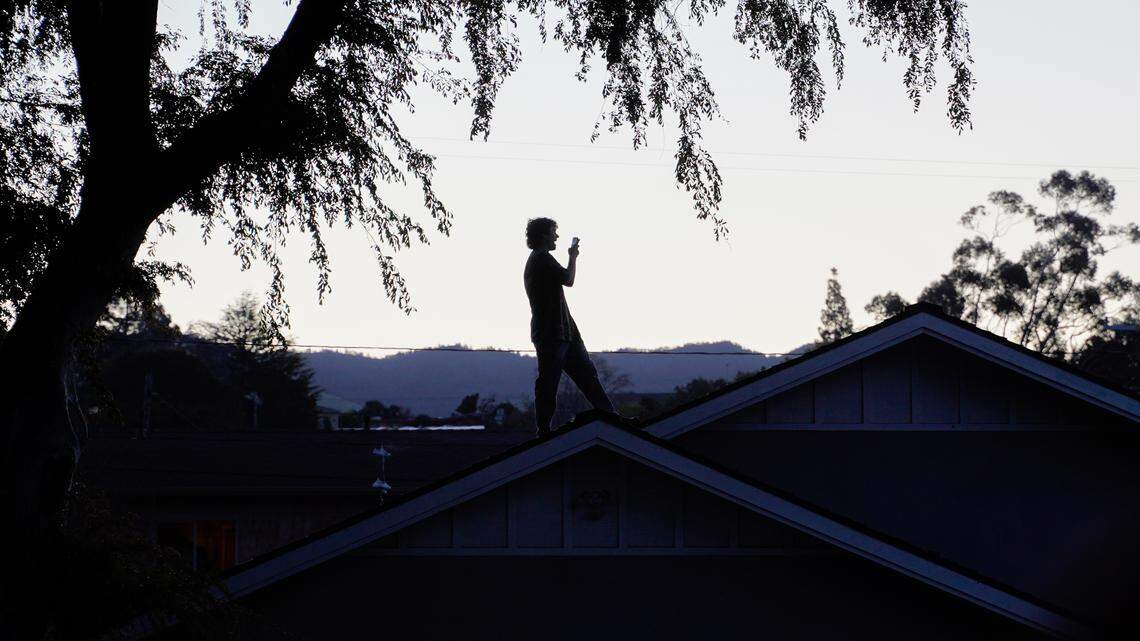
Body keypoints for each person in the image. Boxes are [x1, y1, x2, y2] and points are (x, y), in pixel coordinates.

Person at [523, 217, 615, 434]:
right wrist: (573, 257)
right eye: (554, 232)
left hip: (566, 333)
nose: (556, 236)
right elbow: (568, 279)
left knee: (587, 376)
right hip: (552, 333)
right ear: (544, 235)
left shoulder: (539, 259)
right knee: (550, 382)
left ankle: (611, 417)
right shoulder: (541, 258)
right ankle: (543, 430)